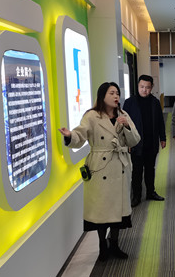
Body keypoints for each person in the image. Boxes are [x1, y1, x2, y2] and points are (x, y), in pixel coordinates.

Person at [59, 82, 141, 262]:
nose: (116, 96)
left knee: (118, 210)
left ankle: (115, 244)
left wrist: (127, 126)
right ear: (102, 96)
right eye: (112, 93)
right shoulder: (92, 116)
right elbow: (80, 135)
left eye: (117, 93)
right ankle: (102, 245)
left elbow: (135, 140)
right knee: (101, 210)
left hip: (119, 165)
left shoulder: (123, 114)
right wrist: (69, 136)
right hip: (99, 167)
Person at [123, 75, 166, 207]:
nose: (144, 90)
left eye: (147, 87)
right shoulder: (129, 102)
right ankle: (136, 196)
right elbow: (124, 126)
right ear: (138, 86)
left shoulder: (155, 102)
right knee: (137, 170)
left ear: (151, 87)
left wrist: (163, 138)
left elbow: (160, 121)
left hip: (151, 142)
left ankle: (150, 192)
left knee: (150, 169)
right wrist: (127, 142)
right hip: (135, 143)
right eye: (142, 87)